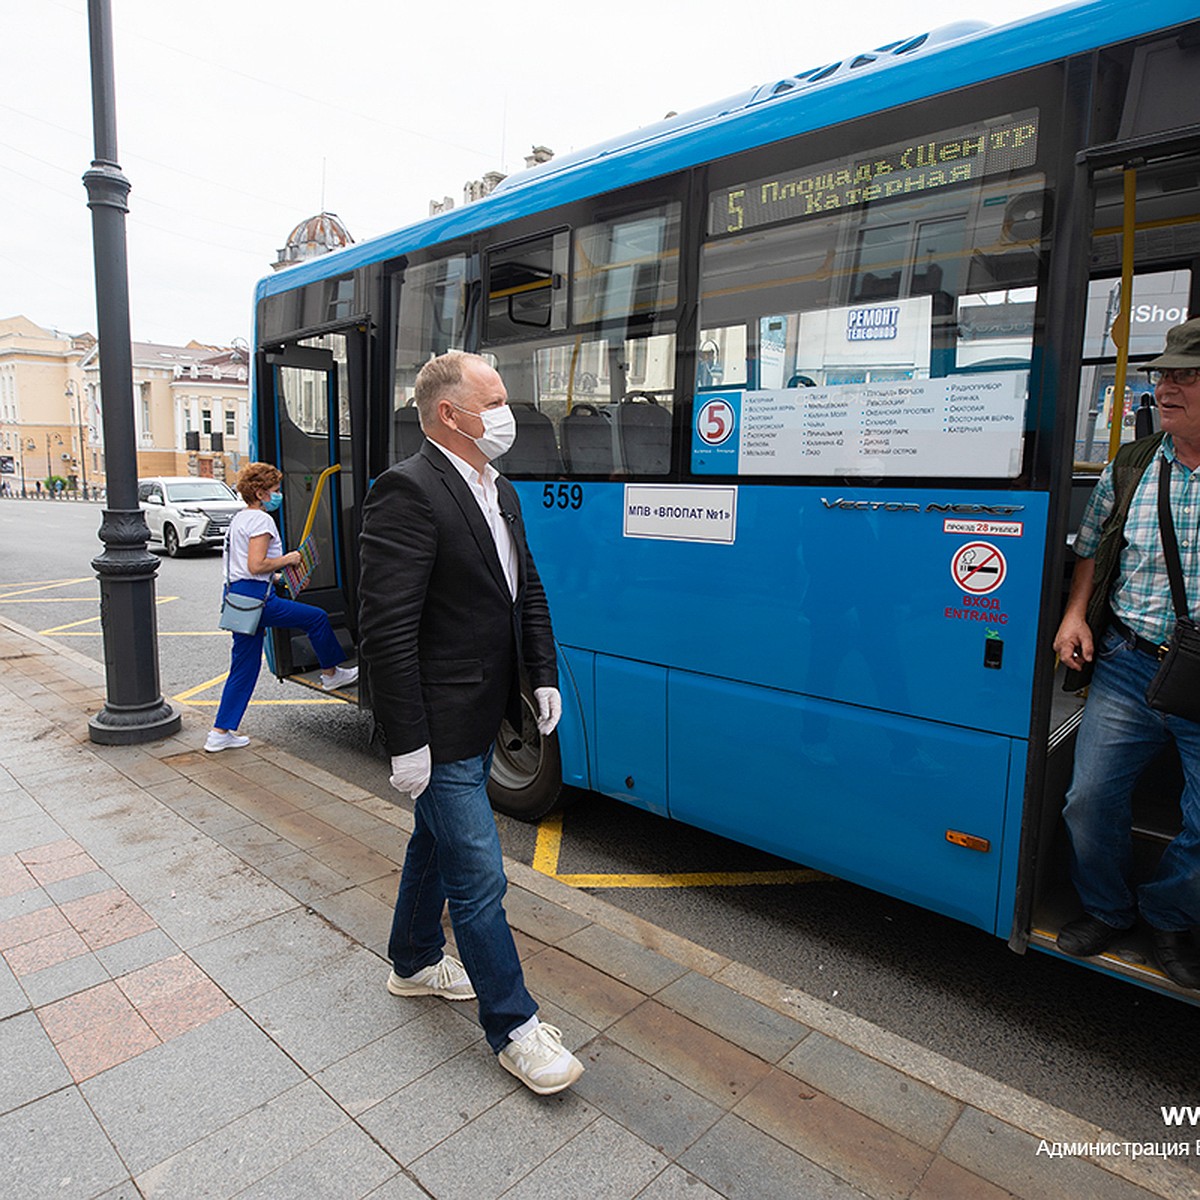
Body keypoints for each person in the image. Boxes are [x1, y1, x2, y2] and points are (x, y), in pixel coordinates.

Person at [358, 352, 583, 1095]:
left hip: (486, 708)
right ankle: (515, 1027)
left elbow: (527, 591)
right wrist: (408, 740)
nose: (508, 411)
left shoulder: (500, 489)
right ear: (449, 414)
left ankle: (416, 960)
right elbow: (385, 629)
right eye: (494, 399)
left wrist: (542, 674)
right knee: (480, 876)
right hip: (439, 723)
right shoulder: (408, 490)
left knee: (436, 842)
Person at [1052, 317, 1200, 989]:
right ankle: (1108, 909)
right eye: (1163, 374)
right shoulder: (1135, 464)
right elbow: (1092, 548)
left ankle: (1169, 914)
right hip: (1129, 660)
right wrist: (1076, 616)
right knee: (1088, 801)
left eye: (1186, 376)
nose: (1166, 387)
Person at [206, 462, 358, 753]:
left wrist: (276, 576)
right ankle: (331, 674)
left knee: (243, 666)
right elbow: (256, 564)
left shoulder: (240, 519)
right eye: (275, 490)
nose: (279, 495)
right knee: (316, 618)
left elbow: (246, 568)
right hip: (259, 601)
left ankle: (220, 732)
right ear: (261, 492)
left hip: (240, 598)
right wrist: (289, 560)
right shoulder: (261, 521)